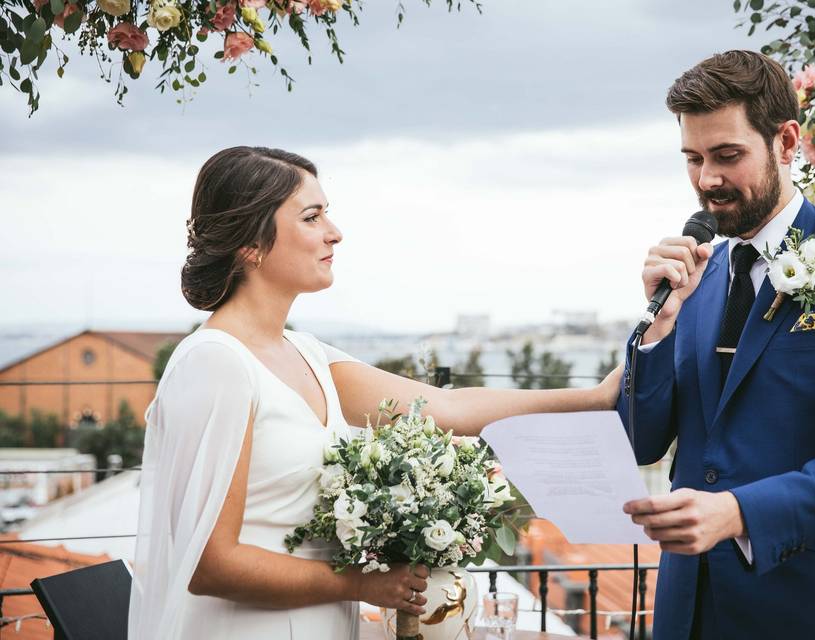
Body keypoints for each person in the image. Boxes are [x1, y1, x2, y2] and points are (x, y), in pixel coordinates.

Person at [127, 146, 624, 640]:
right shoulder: (215, 362)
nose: (334, 232)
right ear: (251, 244)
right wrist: (363, 582)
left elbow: (446, 407)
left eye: (328, 215)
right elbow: (211, 564)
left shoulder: (306, 353)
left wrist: (597, 397)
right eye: (312, 216)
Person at [617, 50, 815, 639]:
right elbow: (641, 442)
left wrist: (737, 513)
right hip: (687, 609)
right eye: (693, 159)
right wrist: (657, 327)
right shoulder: (692, 279)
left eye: (728, 156)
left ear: (785, 141)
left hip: (807, 603)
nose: (707, 180)